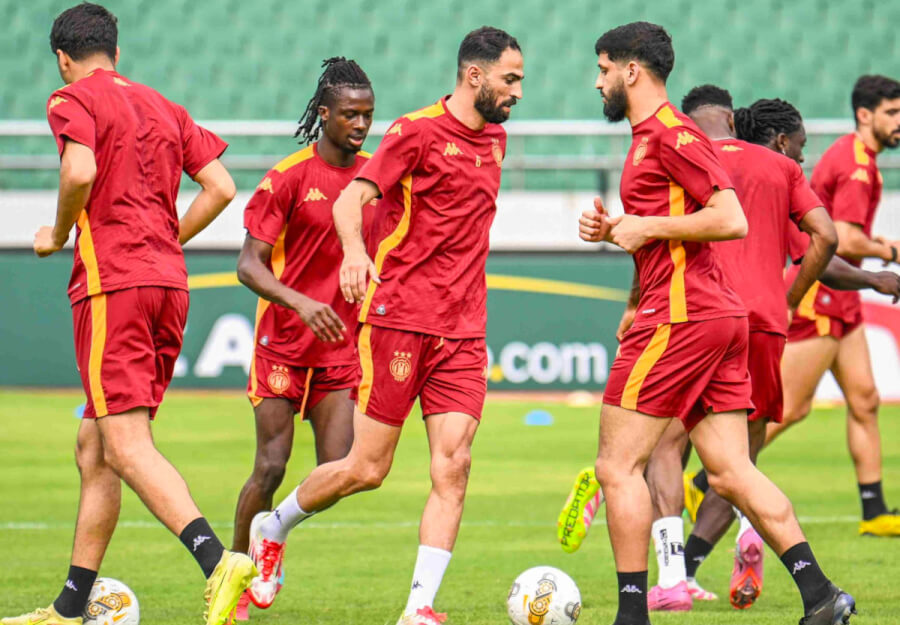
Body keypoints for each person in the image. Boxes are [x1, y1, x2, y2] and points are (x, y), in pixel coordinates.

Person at [243, 26, 524, 625]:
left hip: (464, 330)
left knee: (454, 464)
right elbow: (350, 201)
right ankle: (275, 526)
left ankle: (419, 608)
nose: (517, 91)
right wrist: (353, 253)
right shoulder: (414, 132)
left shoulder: (497, 140)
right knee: (366, 469)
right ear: (474, 75)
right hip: (400, 320)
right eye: (510, 79)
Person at [578, 22, 854, 625]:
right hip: (715, 316)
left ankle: (631, 616)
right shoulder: (655, 137)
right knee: (730, 470)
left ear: (631, 70)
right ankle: (821, 595)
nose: (597, 82)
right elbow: (672, 228)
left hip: (680, 317)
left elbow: (730, 219)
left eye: (603, 69)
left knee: (616, 466)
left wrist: (646, 228)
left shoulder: (670, 135)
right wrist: (619, 230)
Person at [2, 4, 255, 625]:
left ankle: (218, 561)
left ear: (62, 58)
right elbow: (222, 187)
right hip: (168, 284)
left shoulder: (71, 99)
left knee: (125, 443)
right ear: (117, 51)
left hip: (113, 285)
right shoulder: (163, 105)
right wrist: (166, 240)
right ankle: (69, 608)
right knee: (95, 446)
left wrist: (57, 234)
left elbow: (79, 170)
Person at [677, 96, 900, 608]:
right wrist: (801, 295)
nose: (802, 157)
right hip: (760, 322)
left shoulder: (697, 158)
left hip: (695, 317)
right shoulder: (783, 172)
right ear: (781, 141)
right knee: (746, 456)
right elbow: (826, 242)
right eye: (799, 147)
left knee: (665, 444)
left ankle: (672, 568)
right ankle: (718, 542)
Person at [230, 57, 376, 620]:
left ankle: (273, 530)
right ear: (324, 114)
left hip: (340, 351)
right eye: (349, 114)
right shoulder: (288, 177)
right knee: (270, 466)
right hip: (283, 346)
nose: (360, 124)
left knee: (341, 469)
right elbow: (249, 265)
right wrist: (302, 302)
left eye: (367, 115)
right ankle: (233, 581)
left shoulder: (374, 181)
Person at [764, 78, 900, 538]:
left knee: (864, 398)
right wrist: (891, 252)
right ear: (865, 115)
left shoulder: (856, 156)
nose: (899, 122)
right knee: (789, 407)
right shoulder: (856, 165)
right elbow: (846, 239)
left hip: (843, 295)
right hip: (819, 291)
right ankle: (709, 481)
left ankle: (874, 510)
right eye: (892, 112)